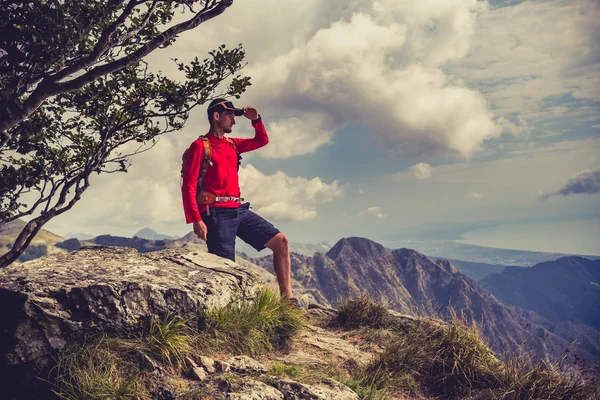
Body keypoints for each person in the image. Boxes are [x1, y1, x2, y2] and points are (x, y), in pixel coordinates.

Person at [181, 98, 295, 304]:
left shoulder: (233, 144)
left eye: (235, 116)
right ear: (216, 117)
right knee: (225, 268)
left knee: (281, 242)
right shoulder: (200, 146)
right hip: (215, 213)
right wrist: (196, 219)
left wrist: (256, 120)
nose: (234, 120)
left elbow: (262, 141)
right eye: (230, 115)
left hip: (238, 209)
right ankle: (227, 317)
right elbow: (188, 185)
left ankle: (288, 302)